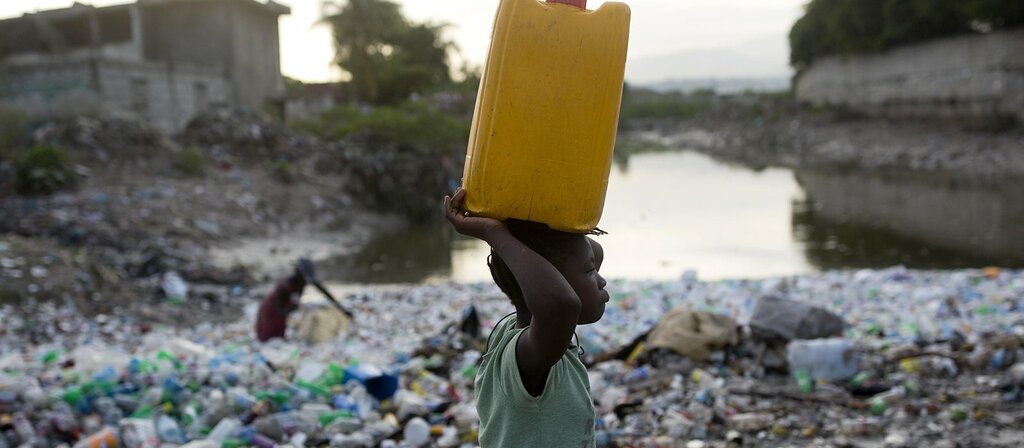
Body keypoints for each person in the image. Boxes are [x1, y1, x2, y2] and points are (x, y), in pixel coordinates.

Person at [443, 188, 609, 447]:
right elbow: (560, 305)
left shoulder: (515, 329)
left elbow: (587, 253)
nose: (601, 279)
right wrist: (493, 234)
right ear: (552, 284)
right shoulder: (525, 357)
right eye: (590, 271)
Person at [254, 258, 316, 342]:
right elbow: (279, 310)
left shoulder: (301, 284)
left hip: (281, 315)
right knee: (268, 337)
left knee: (279, 338)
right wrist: (293, 308)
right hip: (270, 312)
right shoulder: (285, 286)